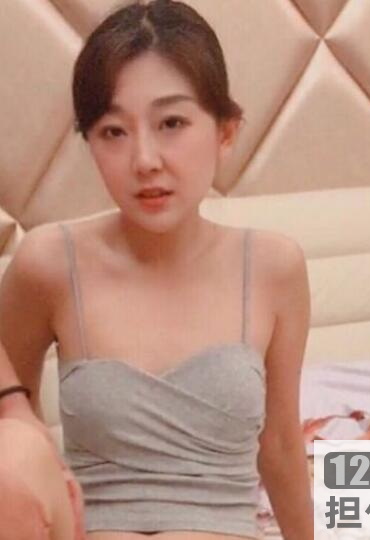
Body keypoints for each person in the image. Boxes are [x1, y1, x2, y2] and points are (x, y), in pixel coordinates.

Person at [0, 1, 313, 539]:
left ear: (225, 131)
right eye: (112, 131)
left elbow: (282, 446)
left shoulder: (273, 268)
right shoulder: (48, 264)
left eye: (172, 123)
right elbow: (10, 428)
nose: (145, 160)